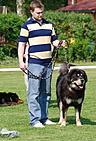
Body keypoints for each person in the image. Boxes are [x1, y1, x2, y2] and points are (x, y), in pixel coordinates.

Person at [18, 0, 66, 128]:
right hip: (34, 62)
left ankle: (44, 117)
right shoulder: (26, 26)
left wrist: (60, 43)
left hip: (48, 62)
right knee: (34, 93)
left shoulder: (49, 25)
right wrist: (21, 61)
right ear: (31, 12)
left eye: (42, 12)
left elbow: (54, 41)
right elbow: (21, 44)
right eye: (38, 13)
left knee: (46, 92)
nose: (40, 15)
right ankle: (35, 120)